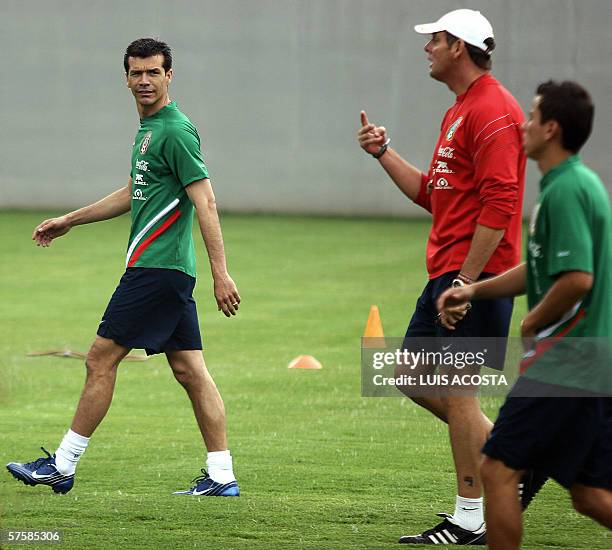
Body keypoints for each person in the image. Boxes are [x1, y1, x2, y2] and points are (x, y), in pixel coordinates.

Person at [7, 38, 241, 497]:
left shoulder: (174, 131)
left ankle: (62, 464)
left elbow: (206, 200)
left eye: (154, 72)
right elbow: (132, 191)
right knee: (191, 371)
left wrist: (222, 272)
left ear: (170, 76)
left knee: (100, 358)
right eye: (137, 72)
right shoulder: (149, 131)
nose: (145, 81)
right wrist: (69, 220)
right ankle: (221, 476)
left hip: (157, 270)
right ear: (126, 77)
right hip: (165, 271)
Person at [358, 9, 526, 545]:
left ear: (458, 46)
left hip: (472, 275)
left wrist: (467, 284)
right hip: (447, 272)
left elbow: (502, 204)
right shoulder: (460, 110)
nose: (426, 47)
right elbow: (433, 194)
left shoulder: (494, 109)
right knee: (408, 374)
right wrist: (383, 153)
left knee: (458, 396)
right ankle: (510, 459)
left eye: (434, 40)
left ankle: (470, 517)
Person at [438, 80, 612, 550]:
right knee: (591, 496)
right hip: (589, 364)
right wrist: (473, 289)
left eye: (532, 117)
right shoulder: (571, 183)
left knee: (496, 469)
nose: (523, 124)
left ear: (551, 128)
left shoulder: (567, 189)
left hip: (566, 363)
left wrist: (531, 322)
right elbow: (537, 269)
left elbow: (577, 277)